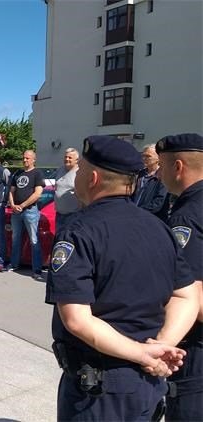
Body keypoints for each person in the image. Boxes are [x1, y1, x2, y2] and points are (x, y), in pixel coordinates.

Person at [46, 135, 197, 421]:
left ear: (92, 178)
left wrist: (144, 354)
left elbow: (76, 318)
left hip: (99, 391)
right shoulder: (160, 228)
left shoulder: (78, 232)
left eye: (80, 170)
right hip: (147, 383)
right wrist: (160, 345)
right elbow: (187, 295)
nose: (76, 178)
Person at [154, 133, 203, 421]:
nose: (158, 174)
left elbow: (193, 296)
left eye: (161, 166)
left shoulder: (188, 215)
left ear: (178, 167)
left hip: (195, 352)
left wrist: (159, 345)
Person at [7, 150, 46, 280]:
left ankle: (37, 270)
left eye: (27, 158)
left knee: (34, 240)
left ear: (34, 159)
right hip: (16, 212)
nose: (25, 160)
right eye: (23, 158)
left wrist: (22, 205)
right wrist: (13, 205)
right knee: (15, 238)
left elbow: (37, 193)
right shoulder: (18, 173)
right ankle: (14, 264)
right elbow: (11, 191)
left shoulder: (37, 173)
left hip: (30, 211)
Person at [132, 144, 171, 222]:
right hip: (135, 216)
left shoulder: (163, 175)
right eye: (143, 156)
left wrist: (138, 211)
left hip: (152, 219)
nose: (144, 158)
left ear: (158, 158)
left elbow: (158, 202)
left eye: (148, 156)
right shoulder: (139, 174)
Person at [54, 147, 81, 233]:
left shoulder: (80, 172)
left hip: (73, 215)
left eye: (70, 157)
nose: (67, 159)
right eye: (65, 157)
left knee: (70, 239)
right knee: (59, 238)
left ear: (77, 160)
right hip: (59, 215)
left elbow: (84, 194)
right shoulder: (60, 170)